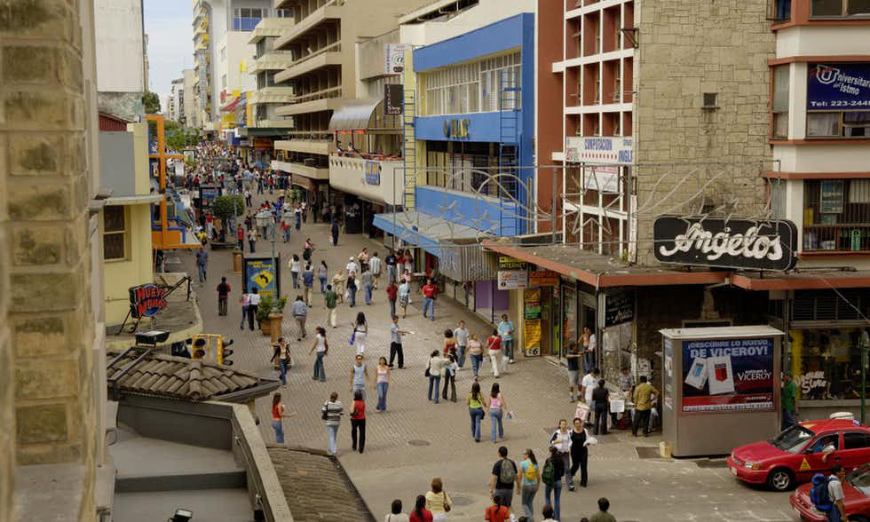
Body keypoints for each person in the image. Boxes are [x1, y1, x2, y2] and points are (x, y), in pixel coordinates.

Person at [489, 446, 518, 513]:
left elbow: (494, 478)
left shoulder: (497, 464)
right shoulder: (512, 462)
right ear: (507, 453)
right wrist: (518, 487)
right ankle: (513, 519)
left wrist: (491, 490)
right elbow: (516, 476)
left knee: (497, 507)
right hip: (510, 489)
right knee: (509, 506)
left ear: (499, 453)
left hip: (500, 489)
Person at [550, 419, 574, 491]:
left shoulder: (569, 433)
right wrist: (557, 441)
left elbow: (571, 441)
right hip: (558, 453)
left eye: (565, 424)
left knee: (567, 468)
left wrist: (570, 447)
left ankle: (570, 484)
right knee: (556, 468)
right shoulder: (556, 433)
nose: (564, 425)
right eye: (562, 424)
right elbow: (551, 441)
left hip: (566, 452)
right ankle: (553, 481)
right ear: (559, 425)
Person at [542, 446, 564, 522]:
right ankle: (557, 518)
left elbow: (545, 472)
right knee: (557, 500)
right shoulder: (560, 459)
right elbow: (563, 472)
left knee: (547, 498)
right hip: (558, 481)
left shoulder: (548, 460)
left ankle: (548, 516)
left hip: (549, 482)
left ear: (551, 452)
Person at [519, 449, 540, 521]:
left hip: (526, 485)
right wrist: (538, 485)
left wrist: (518, 487)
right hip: (534, 485)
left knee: (524, 504)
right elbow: (538, 476)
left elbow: (519, 476)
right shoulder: (535, 463)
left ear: (527, 455)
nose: (523, 455)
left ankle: (530, 518)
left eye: (524, 454)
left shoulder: (522, 463)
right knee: (530, 502)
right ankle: (530, 519)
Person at [570, 417, 590, 489]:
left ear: (581, 423)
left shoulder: (585, 430)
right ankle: (570, 475)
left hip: (583, 451)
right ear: (574, 424)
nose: (578, 425)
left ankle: (584, 482)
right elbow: (569, 442)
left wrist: (588, 443)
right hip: (574, 451)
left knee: (584, 466)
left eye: (579, 423)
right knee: (575, 465)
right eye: (576, 423)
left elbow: (588, 439)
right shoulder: (571, 432)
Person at [349, 389, 366, 453]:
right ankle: (361, 449)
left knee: (354, 431)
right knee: (362, 433)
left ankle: (354, 446)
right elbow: (364, 410)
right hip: (362, 418)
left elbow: (351, 411)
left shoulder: (354, 402)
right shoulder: (363, 402)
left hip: (354, 419)